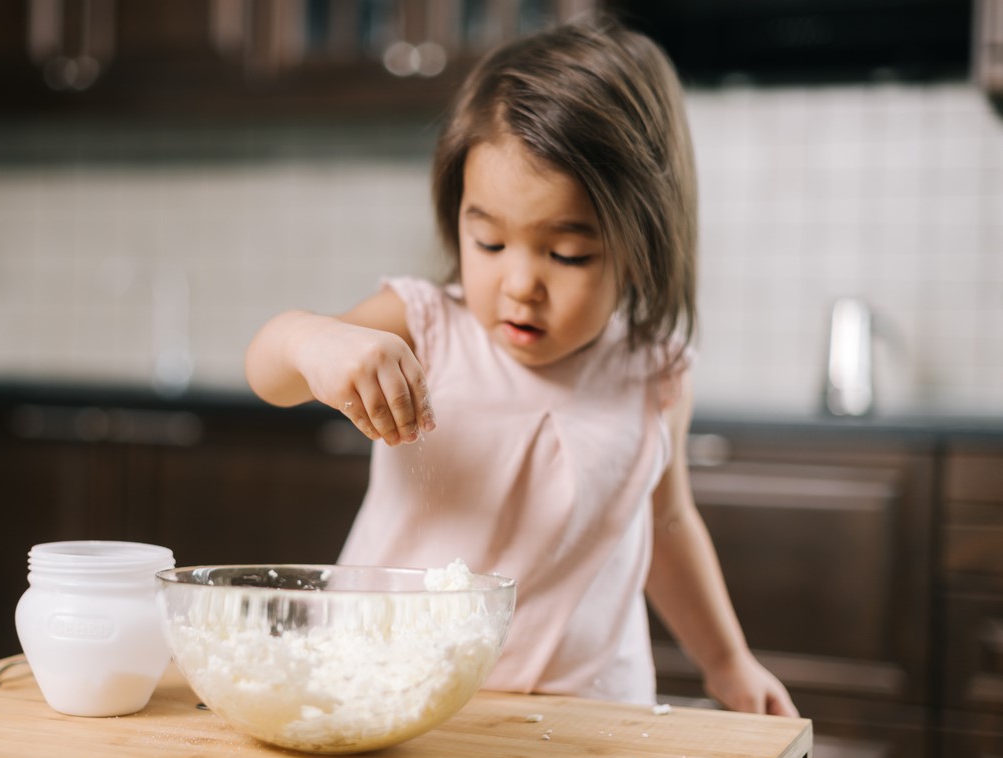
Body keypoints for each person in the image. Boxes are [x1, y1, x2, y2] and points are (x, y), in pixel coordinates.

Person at [244, 12, 797, 717]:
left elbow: (666, 524)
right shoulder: (427, 326)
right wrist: (310, 341)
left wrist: (727, 661)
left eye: (567, 254)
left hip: (586, 715)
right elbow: (268, 369)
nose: (520, 284)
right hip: (392, 695)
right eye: (489, 242)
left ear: (643, 240)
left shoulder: (656, 374)